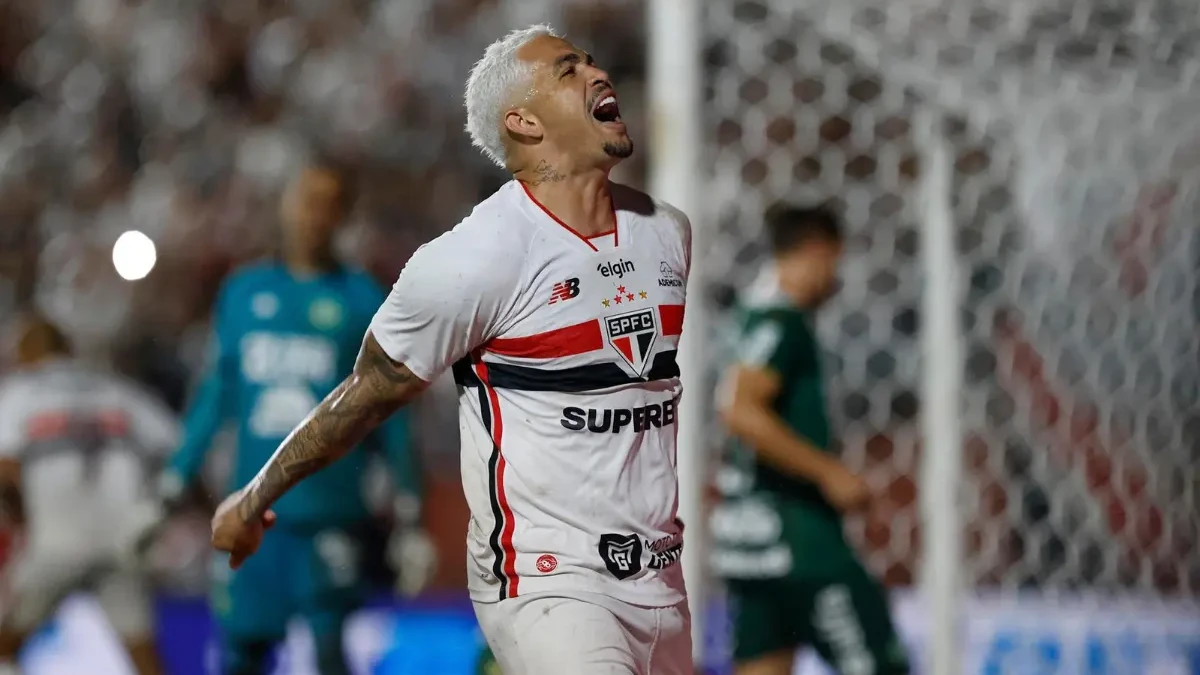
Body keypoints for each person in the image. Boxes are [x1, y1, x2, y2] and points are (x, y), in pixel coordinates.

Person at [210, 23, 695, 675]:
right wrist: (253, 498)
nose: (597, 72)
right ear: (523, 122)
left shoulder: (666, 233)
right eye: (568, 69)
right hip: (547, 581)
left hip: (661, 579)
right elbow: (364, 396)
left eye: (590, 61)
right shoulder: (474, 259)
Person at [162, 162, 435, 675]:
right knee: (240, 656)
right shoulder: (243, 292)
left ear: (344, 215)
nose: (314, 214)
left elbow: (389, 413)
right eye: (306, 199)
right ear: (285, 204)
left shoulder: (362, 298)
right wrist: (173, 479)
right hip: (254, 511)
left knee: (329, 653)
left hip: (330, 514)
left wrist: (410, 512)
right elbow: (216, 395)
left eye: (328, 204)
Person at [711, 204, 910, 675]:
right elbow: (741, 411)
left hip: (749, 544)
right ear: (819, 252)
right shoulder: (784, 324)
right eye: (835, 263)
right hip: (801, 541)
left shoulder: (750, 317)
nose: (834, 279)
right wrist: (830, 473)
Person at [0, 313, 177, 675]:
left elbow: (6, 470)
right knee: (144, 657)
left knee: (6, 644)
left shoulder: (21, 392)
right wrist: (156, 506)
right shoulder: (116, 388)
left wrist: (18, 520)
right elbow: (176, 447)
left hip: (54, 542)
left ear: (26, 354)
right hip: (121, 541)